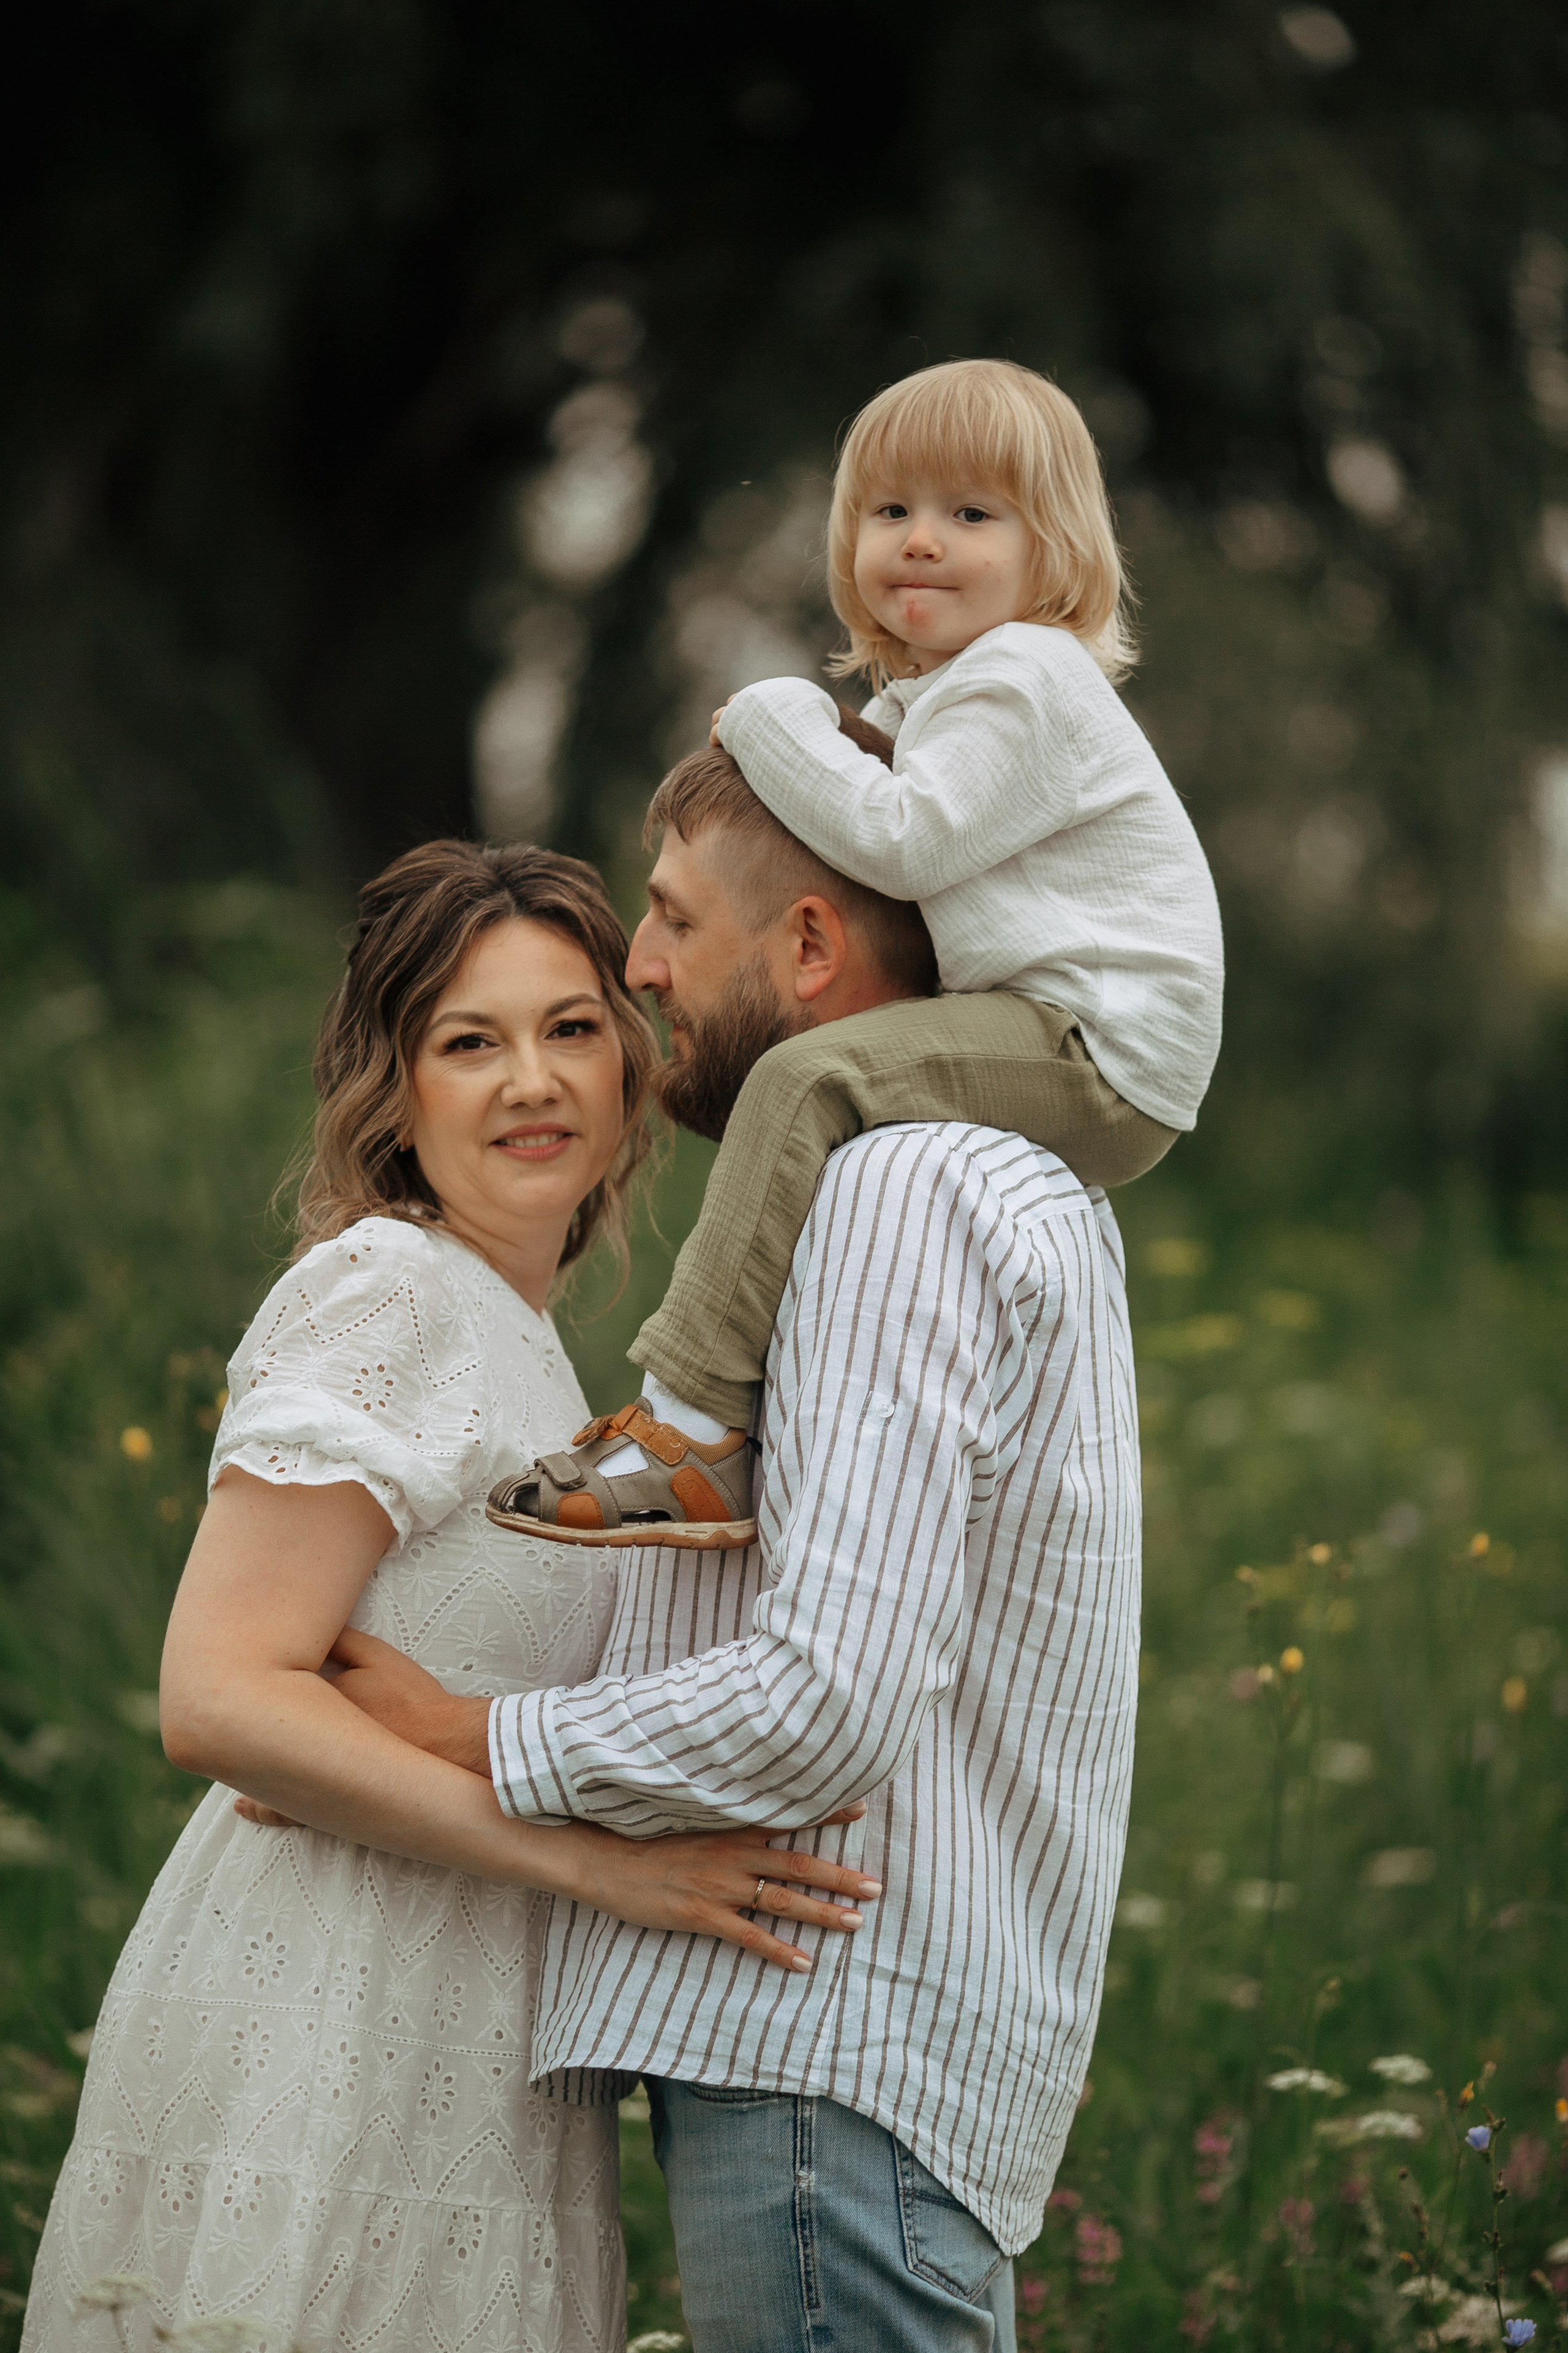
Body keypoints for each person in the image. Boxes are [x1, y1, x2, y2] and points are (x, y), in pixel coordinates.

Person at [324, 747, 1145, 2352]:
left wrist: (465, 1737)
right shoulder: (993, 1181)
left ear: (814, 950)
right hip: (851, 2069)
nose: (638, 969)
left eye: (673, 919)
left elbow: (821, 1696)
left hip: (826, 2058)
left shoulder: (898, 1186)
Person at [23, 843, 872, 2353]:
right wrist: (603, 1868)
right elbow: (220, 1692)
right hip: (324, 2009)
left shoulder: (529, 1346)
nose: (532, 1081)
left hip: (476, 2024)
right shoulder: (390, 1291)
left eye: (568, 1027)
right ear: (395, 1090)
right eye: (469, 1043)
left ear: (625, 1057)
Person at [494, 356, 1221, 1549]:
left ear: (1054, 553)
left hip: (1100, 1039)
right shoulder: (940, 696)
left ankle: (694, 1426)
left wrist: (771, 707)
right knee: (825, 1079)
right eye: (891, 512)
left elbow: (901, 836)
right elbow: (841, 794)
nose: (921, 542)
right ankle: (734, 1410)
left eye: (969, 514)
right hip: (1062, 1024)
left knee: (803, 1074)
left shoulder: (1026, 677)